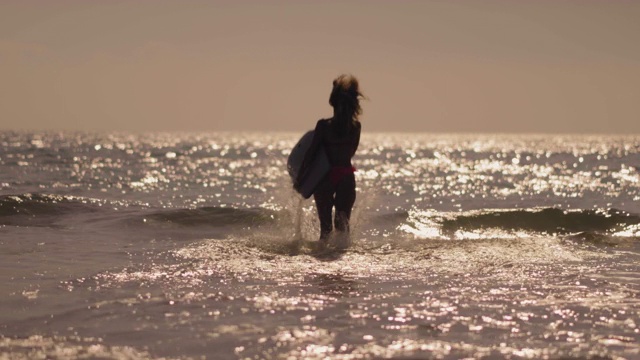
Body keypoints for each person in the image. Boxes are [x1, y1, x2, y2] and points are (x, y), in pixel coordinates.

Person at [297, 74, 364, 244]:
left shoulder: (324, 126)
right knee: (343, 229)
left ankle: (324, 263)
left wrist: (300, 179)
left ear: (332, 103)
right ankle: (340, 263)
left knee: (325, 230)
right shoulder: (355, 127)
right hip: (346, 176)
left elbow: (311, 154)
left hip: (325, 177)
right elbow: (352, 152)